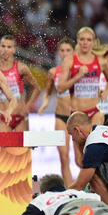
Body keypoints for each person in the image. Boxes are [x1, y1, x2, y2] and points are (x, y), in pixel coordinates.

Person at [57, 27, 108, 166]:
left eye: (88, 40)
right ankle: (89, 182)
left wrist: (106, 92)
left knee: (94, 151)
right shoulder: (70, 60)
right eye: (82, 39)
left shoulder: (101, 62)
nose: (85, 42)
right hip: (76, 114)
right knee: (79, 160)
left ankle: (93, 186)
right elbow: (60, 88)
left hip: (95, 112)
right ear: (77, 41)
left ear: (93, 42)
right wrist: (78, 76)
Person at [10, 174, 108, 215]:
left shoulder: (42, 199)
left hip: (68, 209)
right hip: (94, 204)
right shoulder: (77, 192)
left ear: (43, 191)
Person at [38, 37, 76, 187]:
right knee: (64, 156)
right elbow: (48, 92)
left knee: (83, 159)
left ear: (74, 52)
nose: (65, 53)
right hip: (60, 117)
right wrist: (44, 104)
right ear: (58, 53)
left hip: (77, 117)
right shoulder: (54, 72)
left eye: (68, 50)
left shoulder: (80, 71)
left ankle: (88, 187)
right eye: (62, 50)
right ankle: (70, 190)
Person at [66, 112, 108, 208]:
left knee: (92, 176)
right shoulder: (100, 130)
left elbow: (79, 185)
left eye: (71, 135)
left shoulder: (94, 145)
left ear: (77, 130)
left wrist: (59, 196)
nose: (72, 140)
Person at [0, 35, 40, 132]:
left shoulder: (21, 68)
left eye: (9, 47)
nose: (5, 50)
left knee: (23, 147)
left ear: (14, 50)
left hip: (20, 116)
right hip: (4, 117)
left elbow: (37, 88)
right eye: (3, 46)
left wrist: (28, 106)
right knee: (5, 147)